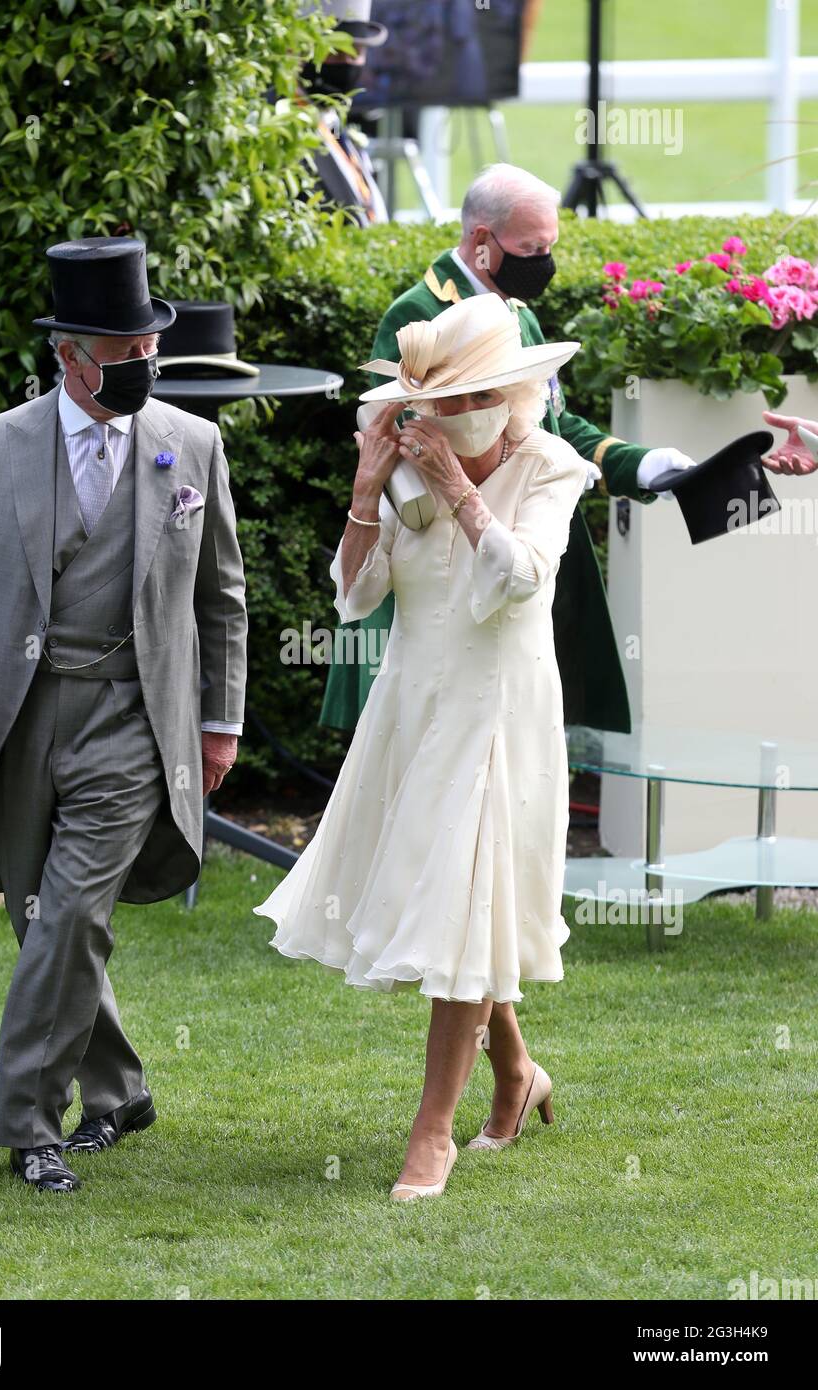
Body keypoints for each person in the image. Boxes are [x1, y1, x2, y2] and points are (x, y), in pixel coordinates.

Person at [0, 238, 248, 1192]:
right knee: (41, 919)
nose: (145, 363)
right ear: (68, 356)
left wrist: (219, 721)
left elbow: (222, 599)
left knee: (69, 916)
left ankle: (29, 1124)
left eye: (150, 345)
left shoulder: (195, 445)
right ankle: (121, 1091)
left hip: (135, 721)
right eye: (123, 351)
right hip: (19, 719)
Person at [254, 293, 588, 1202]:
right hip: (414, 703)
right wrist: (369, 491)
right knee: (454, 902)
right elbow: (355, 599)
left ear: (506, 397)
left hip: (499, 711)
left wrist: (458, 490)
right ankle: (516, 1071)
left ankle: (431, 1132)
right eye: (428, 403)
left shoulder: (551, 466)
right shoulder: (403, 472)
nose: (437, 420)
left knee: (462, 894)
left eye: (458, 401)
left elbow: (519, 582)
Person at [319, 162, 700, 737]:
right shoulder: (419, 314)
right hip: (438, 556)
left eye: (549, 246)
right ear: (480, 242)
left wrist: (638, 465)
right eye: (531, 246)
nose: (542, 260)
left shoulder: (517, 312)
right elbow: (396, 433)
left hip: (513, 540)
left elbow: (552, 421)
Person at [299, 0, 390, 226]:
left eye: (356, 53)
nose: (347, 64)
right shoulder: (281, 127)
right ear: (301, 52)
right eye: (335, 53)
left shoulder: (337, 126)